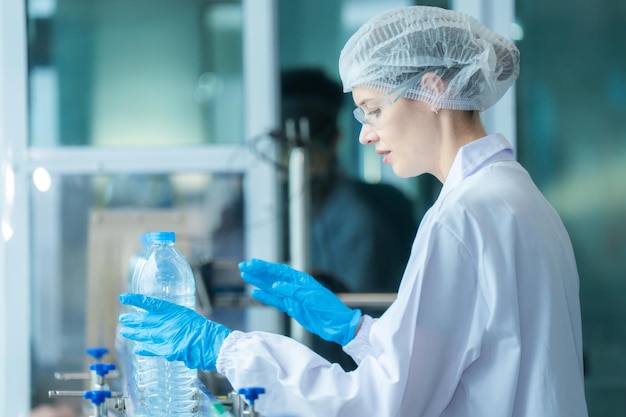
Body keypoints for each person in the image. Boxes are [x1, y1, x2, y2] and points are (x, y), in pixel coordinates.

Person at [118, 6, 589, 417]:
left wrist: (227, 349)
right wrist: (356, 330)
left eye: (373, 110)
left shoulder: (462, 219)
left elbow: (378, 404)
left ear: (430, 90)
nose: (364, 134)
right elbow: (449, 364)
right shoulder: (515, 196)